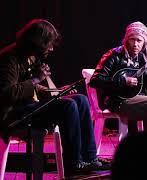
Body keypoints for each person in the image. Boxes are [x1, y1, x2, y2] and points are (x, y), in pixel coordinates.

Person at [0, 19, 109, 176]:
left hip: (26, 108)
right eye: (48, 44)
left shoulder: (28, 56)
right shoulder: (9, 59)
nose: (51, 48)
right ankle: (74, 164)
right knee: (68, 106)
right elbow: (7, 93)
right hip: (12, 116)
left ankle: (90, 158)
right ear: (37, 42)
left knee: (80, 100)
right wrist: (36, 79)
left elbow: (30, 88)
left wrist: (56, 91)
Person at [89, 21, 147, 139]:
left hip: (134, 99)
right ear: (126, 40)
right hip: (116, 101)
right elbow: (95, 80)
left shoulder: (142, 58)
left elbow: (143, 85)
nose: (135, 44)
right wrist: (123, 81)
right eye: (132, 39)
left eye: (139, 40)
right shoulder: (113, 55)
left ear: (144, 42)